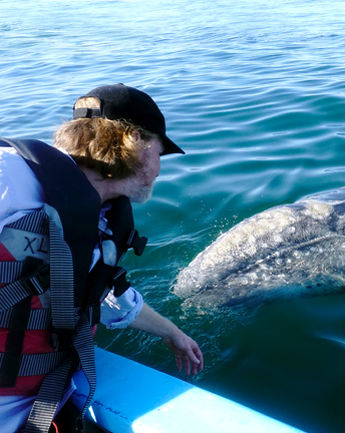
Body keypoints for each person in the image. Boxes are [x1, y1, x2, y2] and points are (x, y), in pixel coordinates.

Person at [0, 84, 204, 432]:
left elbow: (98, 297)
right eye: (160, 152)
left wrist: (172, 333)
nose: (158, 169)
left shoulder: (99, 220)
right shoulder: (12, 177)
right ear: (136, 143)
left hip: (39, 409)